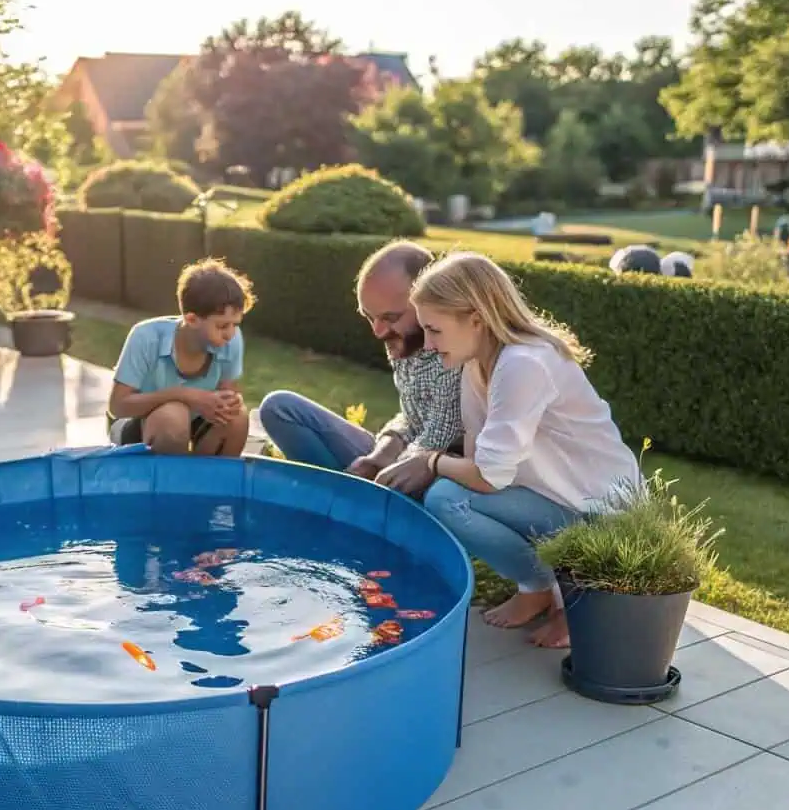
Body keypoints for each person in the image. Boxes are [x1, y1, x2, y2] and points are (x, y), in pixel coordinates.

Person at [408, 251, 641, 649]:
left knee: (448, 499)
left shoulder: (524, 364)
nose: (427, 344)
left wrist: (429, 461)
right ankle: (540, 588)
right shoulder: (476, 364)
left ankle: (567, 598)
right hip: (554, 499)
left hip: (601, 516)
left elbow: (488, 476)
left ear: (476, 319)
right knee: (448, 494)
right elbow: (484, 461)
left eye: (434, 330)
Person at [256, 240, 462, 499]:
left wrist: (384, 470)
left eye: (390, 318)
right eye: (369, 317)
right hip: (399, 457)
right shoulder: (405, 341)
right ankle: (344, 496)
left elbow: (439, 437)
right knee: (279, 408)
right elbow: (412, 415)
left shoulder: (455, 349)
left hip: (438, 478)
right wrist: (379, 456)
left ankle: (344, 498)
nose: (377, 331)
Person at [107, 258, 253, 456]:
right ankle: (166, 483)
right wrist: (183, 395)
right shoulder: (145, 337)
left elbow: (227, 396)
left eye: (235, 324)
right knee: (174, 415)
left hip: (194, 423)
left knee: (237, 418)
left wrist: (229, 402)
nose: (230, 333)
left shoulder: (230, 340)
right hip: (139, 423)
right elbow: (118, 406)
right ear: (192, 319)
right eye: (222, 326)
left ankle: (209, 483)